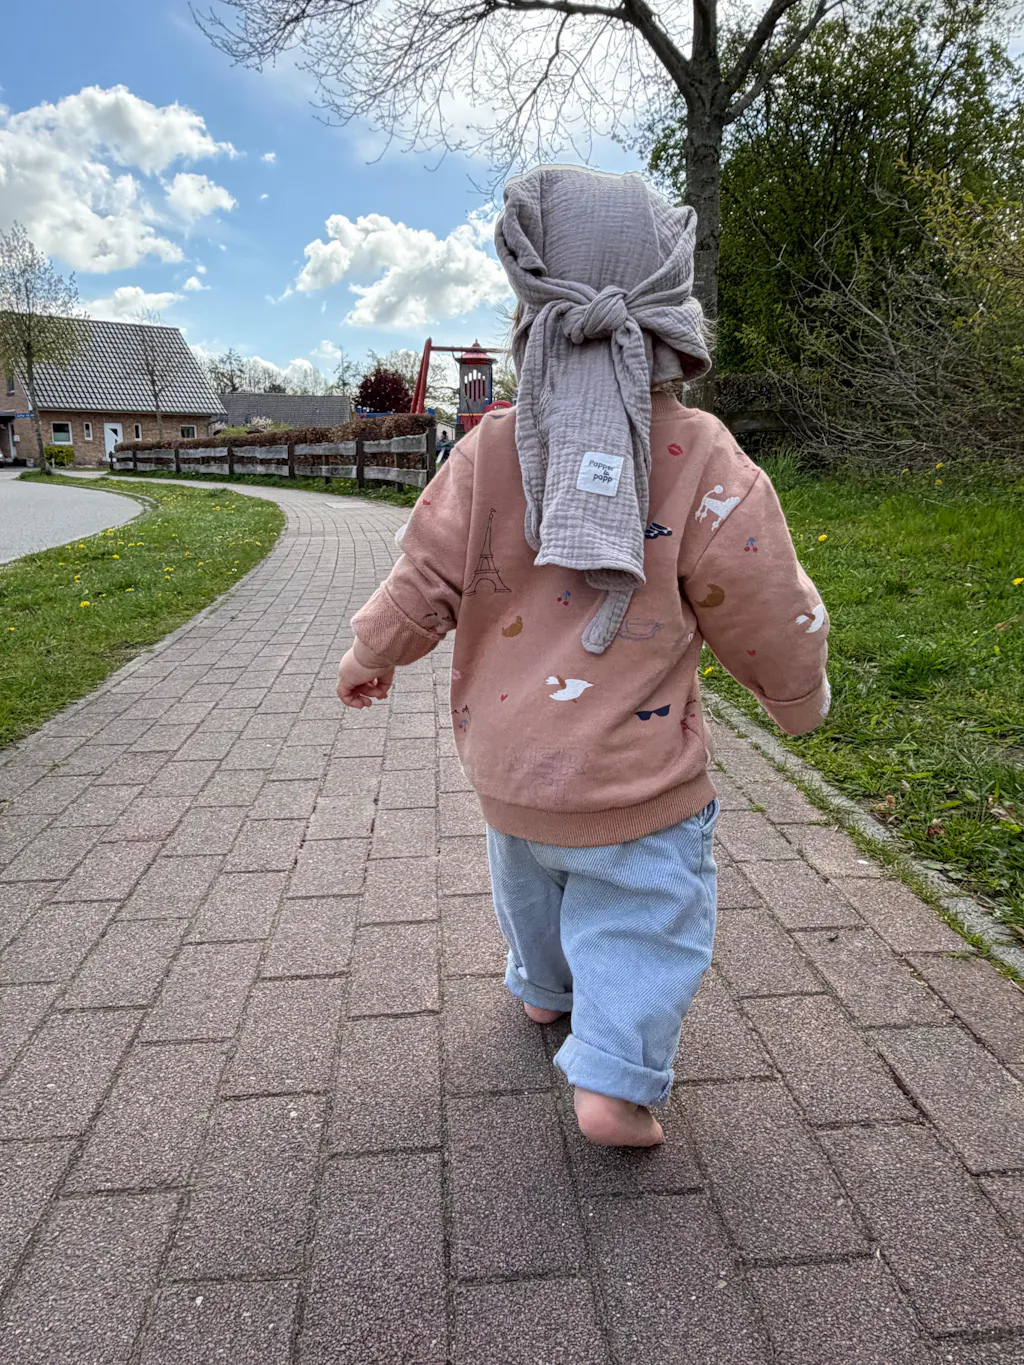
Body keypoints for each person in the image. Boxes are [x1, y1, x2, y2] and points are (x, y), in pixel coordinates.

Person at [337, 165, 830, 1148]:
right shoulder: (706, 460)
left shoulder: (486, 452)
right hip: (634, 776)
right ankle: (613, 1078)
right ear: (673, 318)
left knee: (531, 885)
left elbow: (423, 574)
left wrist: (369, 651)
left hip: (509, 767)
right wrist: (796, 695)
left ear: (531, 313)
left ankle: (542, 988)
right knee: (643, 915)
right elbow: (762, 599)